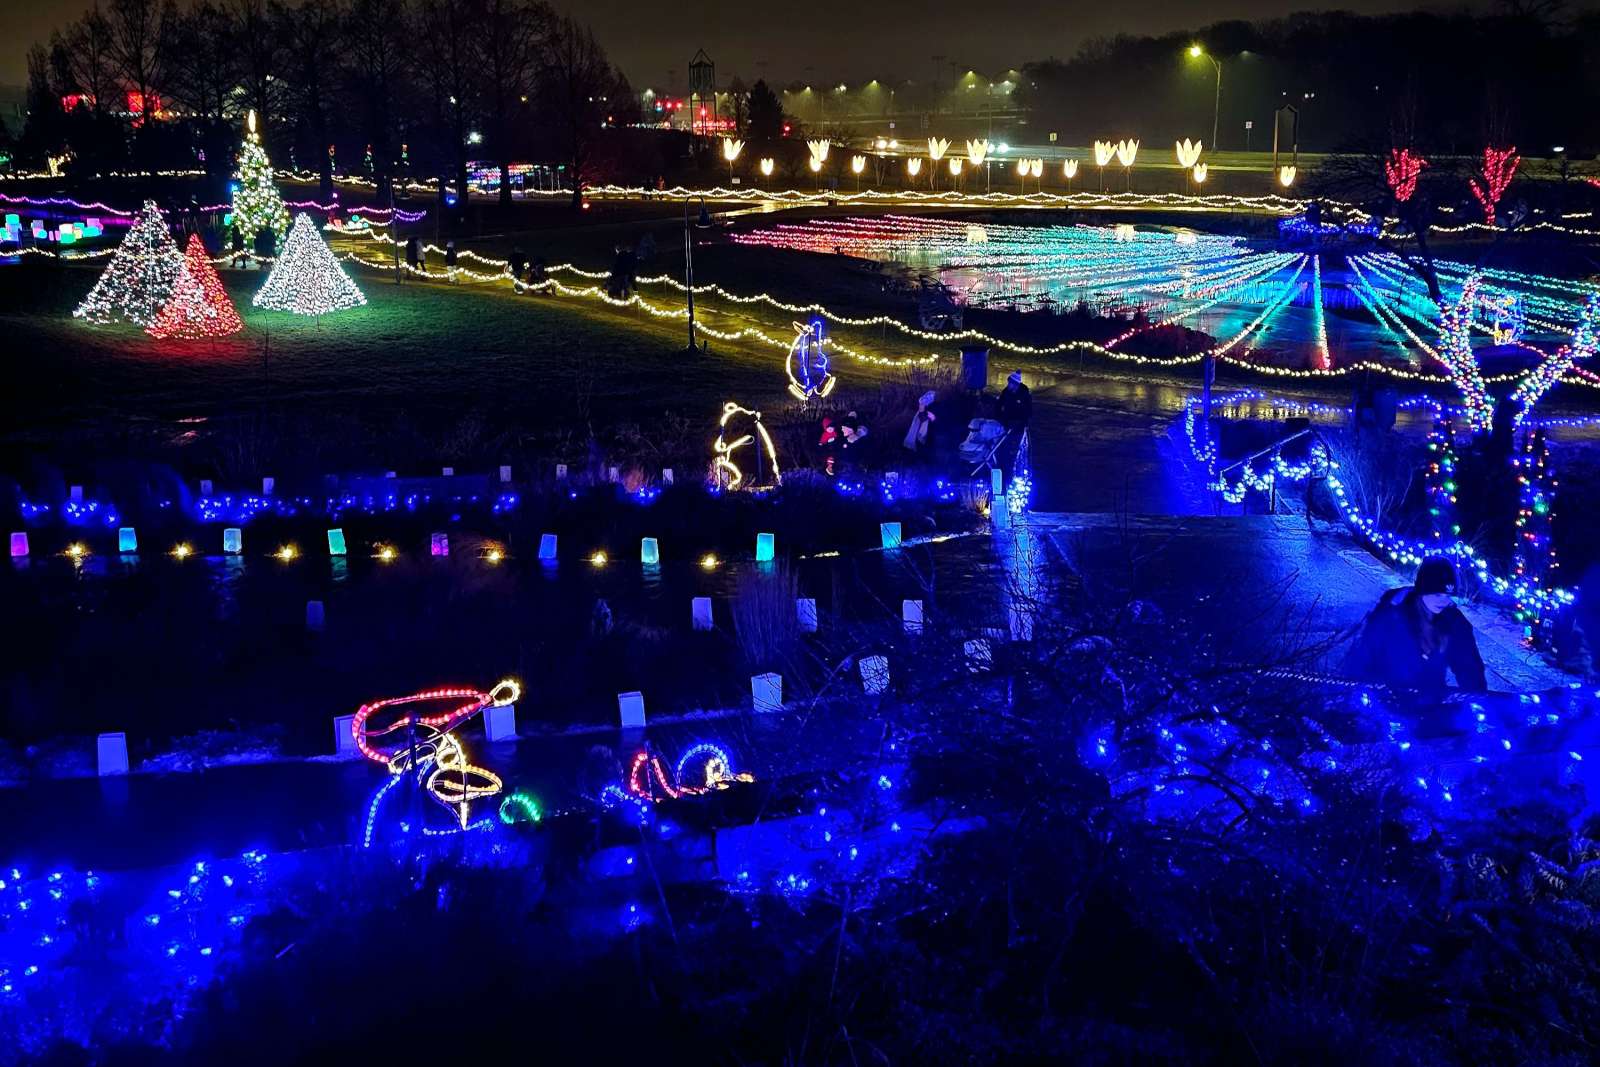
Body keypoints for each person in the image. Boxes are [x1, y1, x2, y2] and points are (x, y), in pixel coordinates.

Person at [1344, 557, 1487, 692]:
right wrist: (1356, 692)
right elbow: (1365, 652)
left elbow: (1469, 667)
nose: (1443, 601)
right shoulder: (1393, 612)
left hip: (1429, 701)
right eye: (1437, 594)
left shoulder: (1454, 621)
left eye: (1448, 596)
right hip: (1384, 694)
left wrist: (1477, 701)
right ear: (1422, 591)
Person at [903, 391, 937, 457]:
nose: (920, 406)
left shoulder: (927, 414)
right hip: (921, 440)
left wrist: (930, 418)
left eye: (922, 405)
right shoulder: (920, 414)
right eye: (920, 404)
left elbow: (932, 421)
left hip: (926, 440)